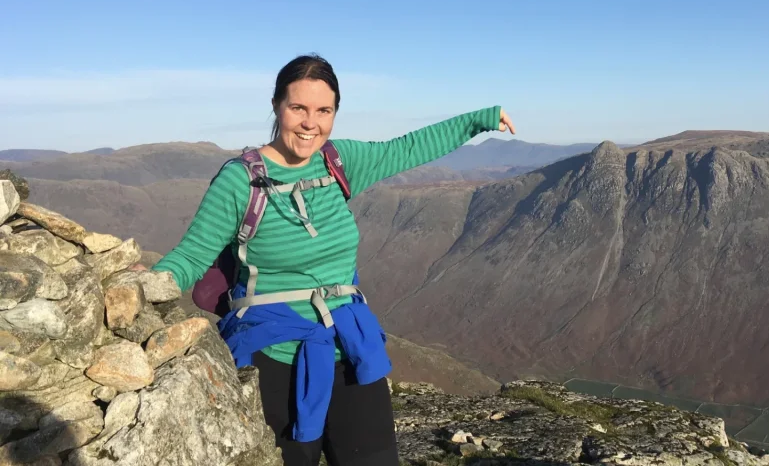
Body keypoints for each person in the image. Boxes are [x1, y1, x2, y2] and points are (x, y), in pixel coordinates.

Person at [146, 53, 515, 466]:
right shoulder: (240, 180)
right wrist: (140, 289)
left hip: (351, 346)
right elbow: (191, 255)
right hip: (274, 357)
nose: (310, 123)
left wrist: (480, 119)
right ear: (276, 106)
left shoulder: (338, 162)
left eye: (324, 111)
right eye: (298, 108)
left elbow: (407, 148)